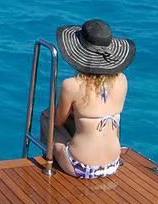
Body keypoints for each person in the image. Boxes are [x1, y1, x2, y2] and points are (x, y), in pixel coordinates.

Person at [41, 19, 135, 180]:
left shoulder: (72, 85)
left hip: (80, 167)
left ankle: (48, 164)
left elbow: (58, 121)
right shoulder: (122, 80)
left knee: (47, 118)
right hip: (113, 164)